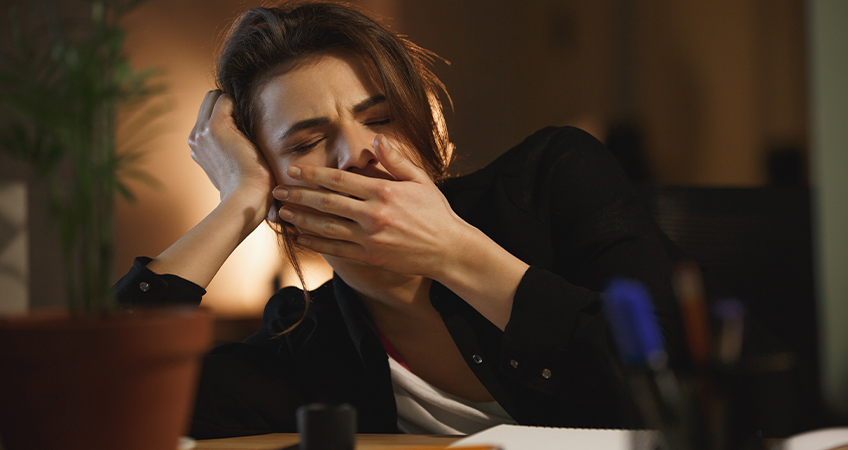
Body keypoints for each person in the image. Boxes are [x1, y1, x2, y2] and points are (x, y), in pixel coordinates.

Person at [115, 1, 685, 439]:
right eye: (310, 142)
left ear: (426, 131)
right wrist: (237, 203)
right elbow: (107, 401)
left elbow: (686, 388)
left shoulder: (553, 180)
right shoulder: (307, 343)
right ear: (277, 192)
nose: (357, 152)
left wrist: (456, 255)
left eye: (381, 118)